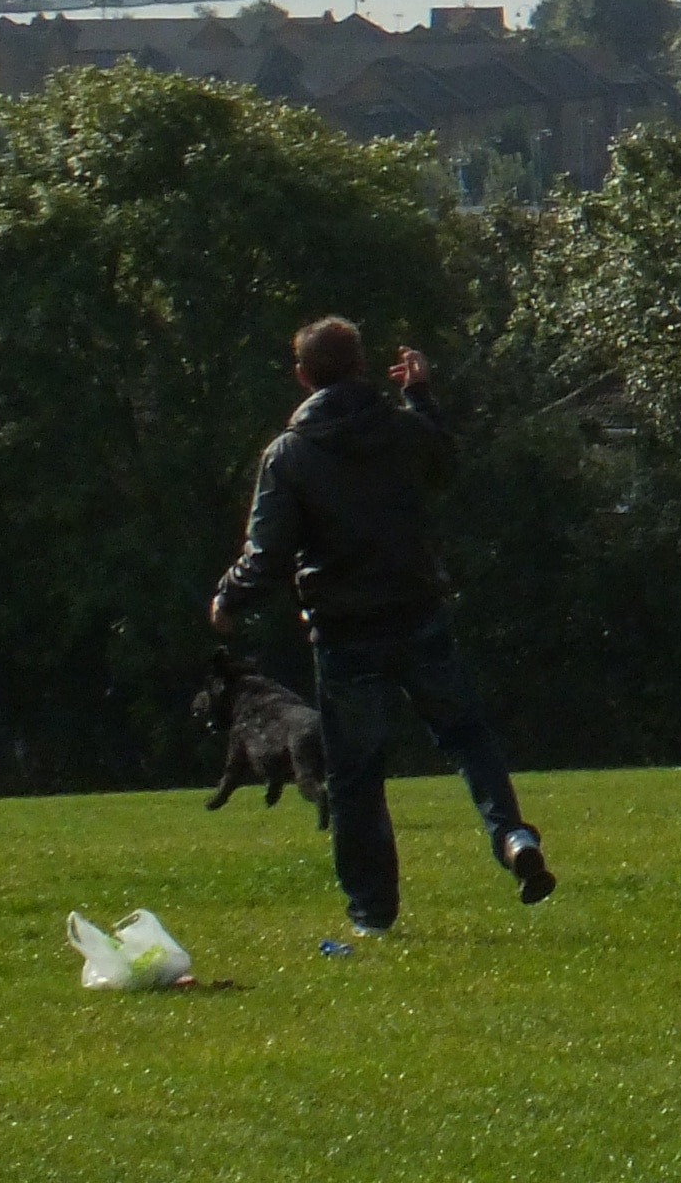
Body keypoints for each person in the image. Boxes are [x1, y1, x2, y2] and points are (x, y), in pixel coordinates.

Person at [210, 317, 556, 934]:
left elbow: (267, 553)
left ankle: (372, 911)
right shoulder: (400, 430)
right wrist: (419, 394)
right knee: (467, 737)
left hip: (345, 632)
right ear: (362, 365)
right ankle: (511, 835)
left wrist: (228, 599)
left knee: (355, 775)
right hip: (418, 613)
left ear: (302, 376)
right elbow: (444, 463)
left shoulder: (289, 454)